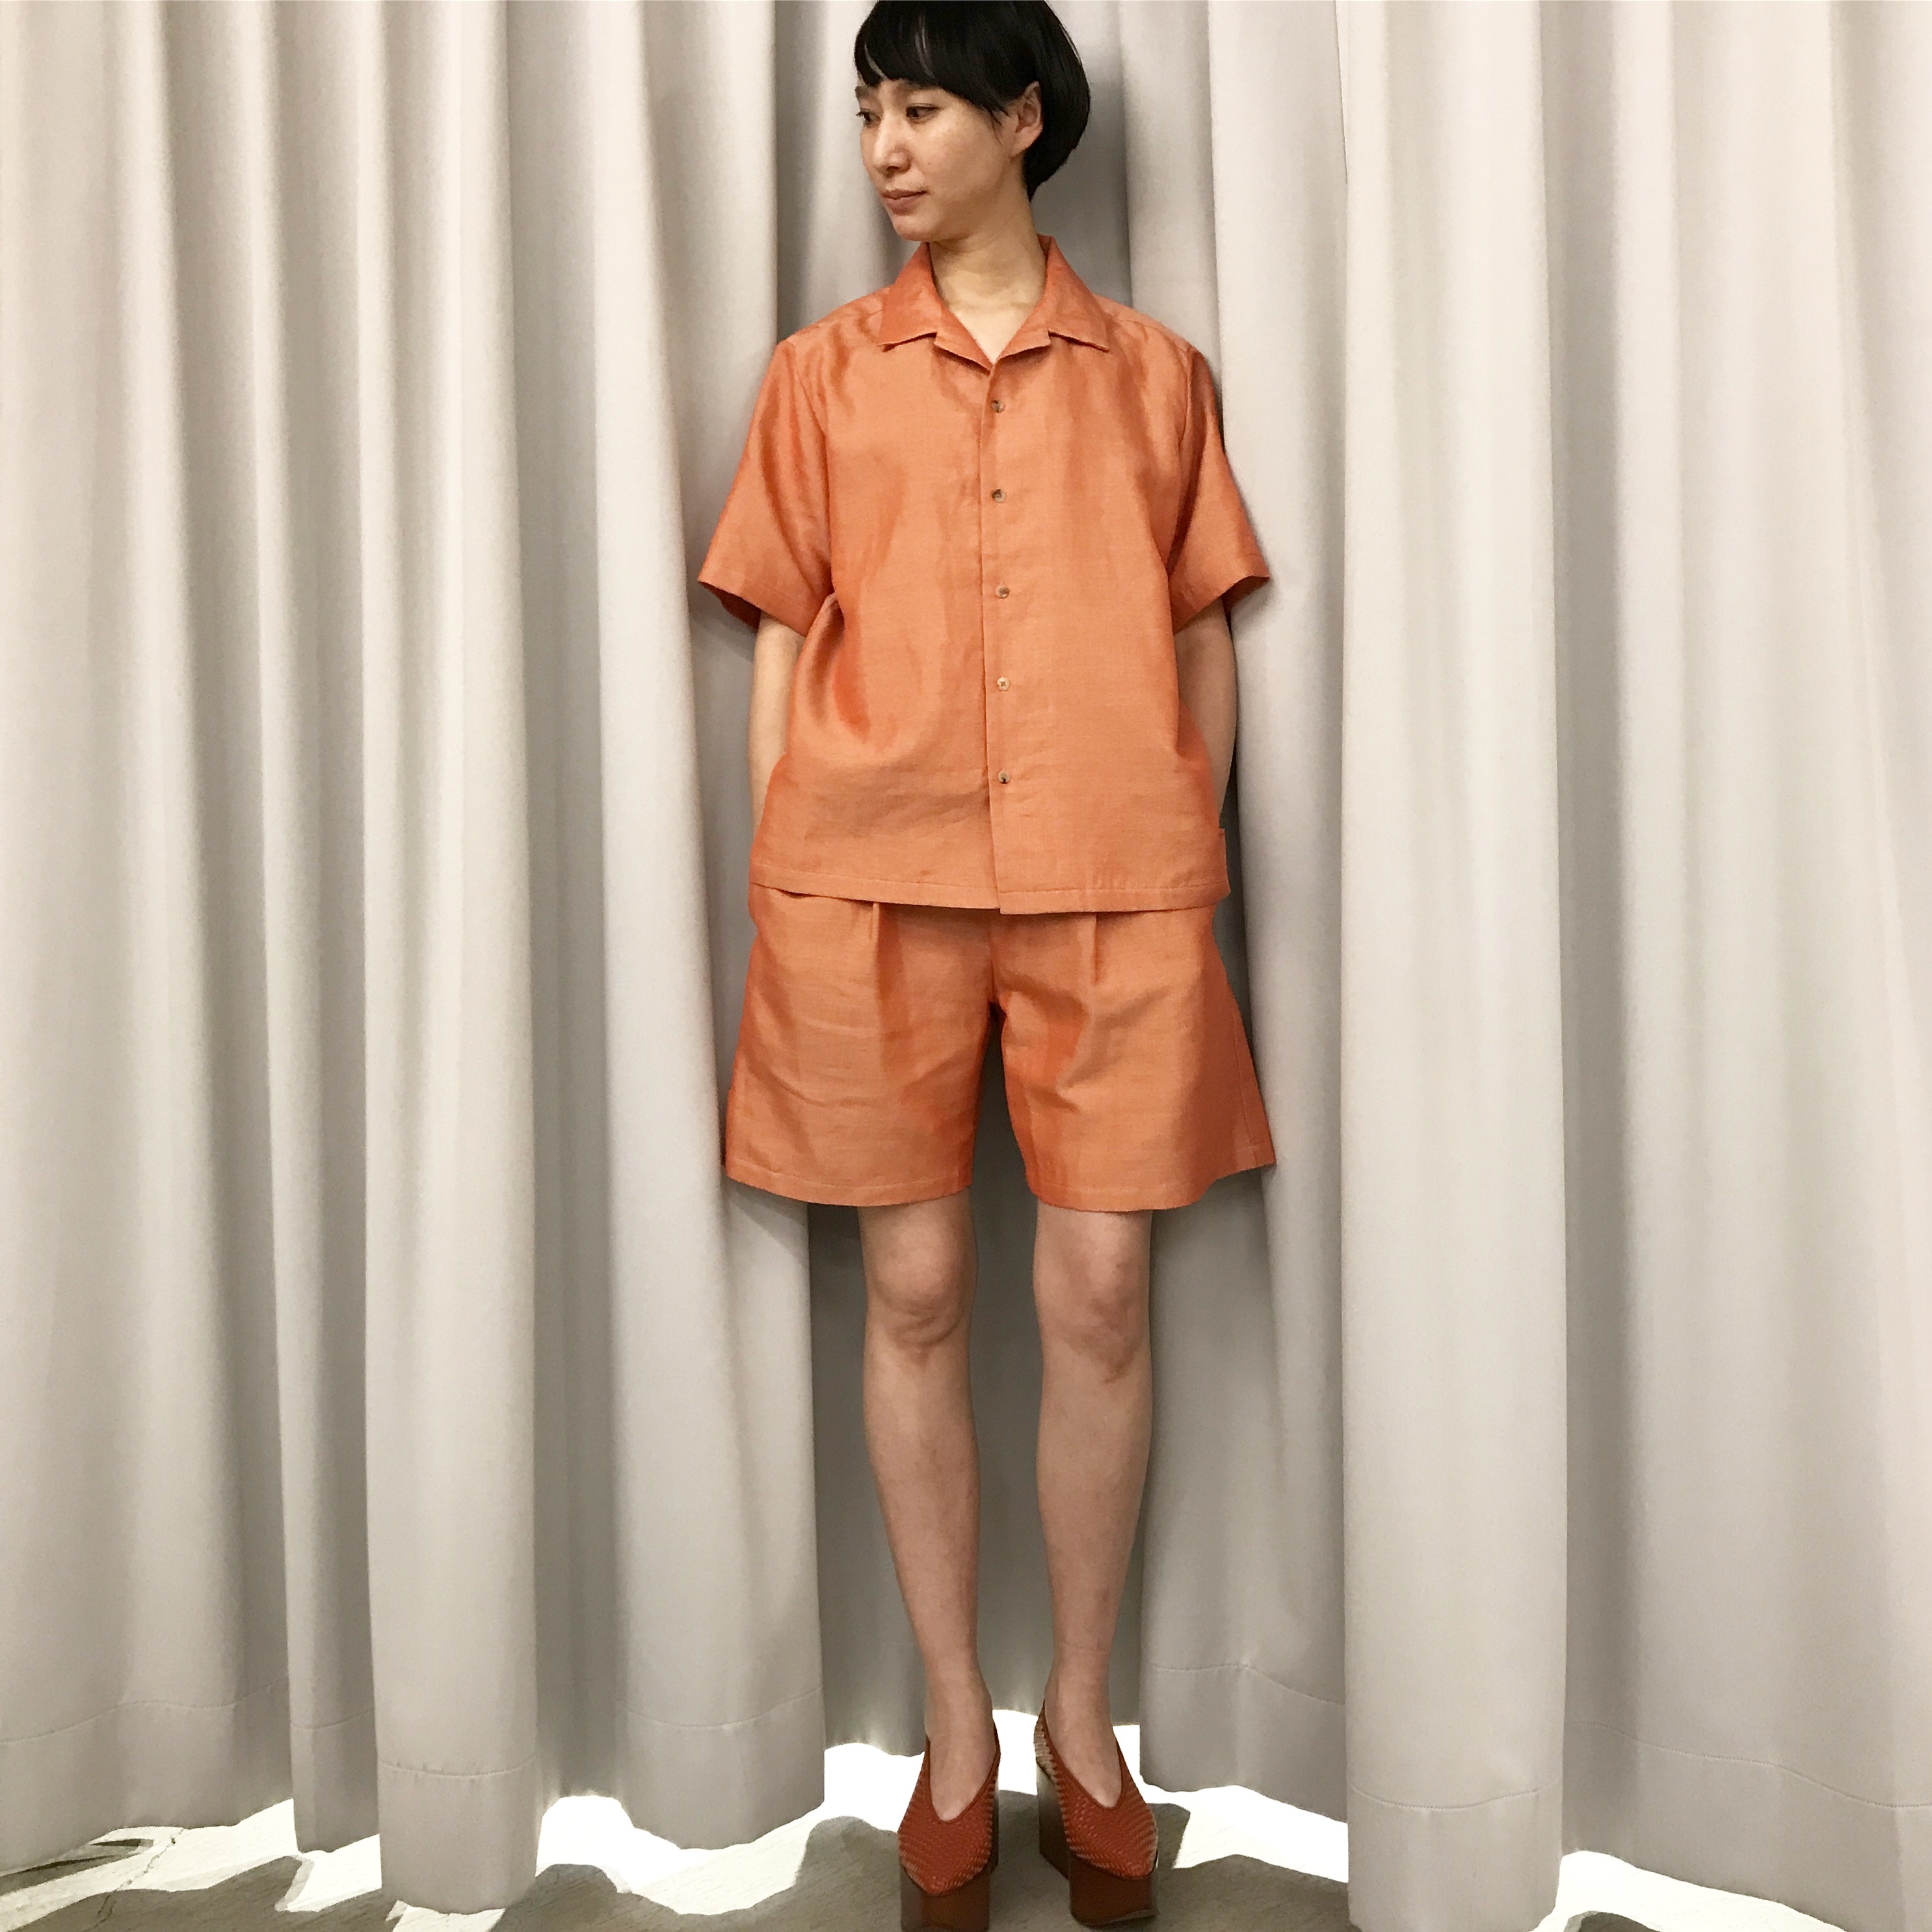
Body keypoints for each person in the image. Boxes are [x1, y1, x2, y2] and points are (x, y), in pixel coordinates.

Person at [696, 4, 1274, 1924]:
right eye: (868, 108)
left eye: (922, 105)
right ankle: (953, 1726)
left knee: (1101, 1292)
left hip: (1117, 876)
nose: (885, 144)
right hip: (865, 884)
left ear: (1023, 120)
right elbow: (784, 626)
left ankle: (1081, 1720)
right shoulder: (818, 375)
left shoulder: (1156, 377)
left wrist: (1187, 842)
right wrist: (785, 846)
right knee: (920, 1289)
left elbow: (1198, 627)